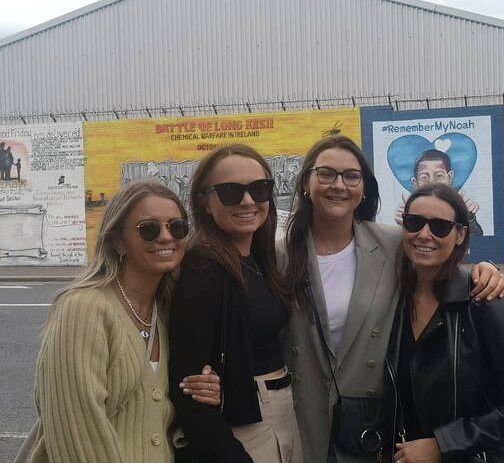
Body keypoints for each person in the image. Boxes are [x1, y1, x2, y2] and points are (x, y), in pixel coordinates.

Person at [279, 135, 504, 463]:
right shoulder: (278, 255)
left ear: (363, 189)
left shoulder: (391, 244)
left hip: (367, 425)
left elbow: (437, 264)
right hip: (299, 419)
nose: (338, 185)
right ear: (306, 182)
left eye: (351, 176)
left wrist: (484, 271)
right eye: (326, 173)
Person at [15, 180, 221, 463]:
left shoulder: (166, 310)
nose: (166, 237)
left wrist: (203, 391)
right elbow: (78, 431)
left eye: (177, 227)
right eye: (149, 228)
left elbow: (157, 414)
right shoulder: (84, 307)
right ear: (117, 241)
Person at [169, 144, 302, 462]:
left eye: (260, 188)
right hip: (245, 423)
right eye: (230, 191)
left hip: (281, 410)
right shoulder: (202, 269)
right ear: (205, 201)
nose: (248, 201)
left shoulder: (257, 258)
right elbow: (190, 387)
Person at [387, 183, 504, 463]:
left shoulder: (486, 301)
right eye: (414, 222)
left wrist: (442, 446)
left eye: (440, 226)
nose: (424, 234)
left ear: (460, 235)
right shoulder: (390, 301)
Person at [394, 149, 483, 235]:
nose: (432, 182)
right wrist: (407, 224)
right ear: (415, 183)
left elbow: (477, 239)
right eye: (424, 177)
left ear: (449, 177)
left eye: (439, 176)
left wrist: (469, 218)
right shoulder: (409, 211)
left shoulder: (458, 207)